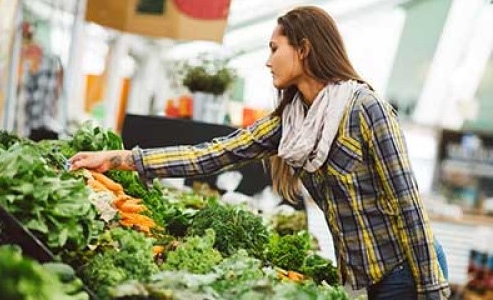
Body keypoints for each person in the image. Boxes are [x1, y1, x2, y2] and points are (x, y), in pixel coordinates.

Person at [70, 6, 450, 300]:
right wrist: (120, 159)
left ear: (303, 49)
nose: (267, 60)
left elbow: (408, 204)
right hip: (362, 278)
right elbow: (211, 154)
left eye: (274, 49)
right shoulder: (291, 122)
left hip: (408, 271)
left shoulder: (366, 109)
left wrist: (433, 290)